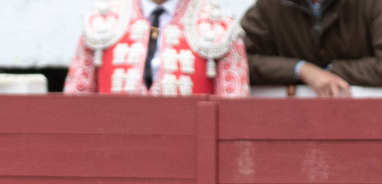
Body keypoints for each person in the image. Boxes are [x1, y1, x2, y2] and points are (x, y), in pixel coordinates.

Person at [65, 0, 250, 96]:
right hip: (110, 156)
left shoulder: (221, 26)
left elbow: (233, 116)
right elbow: (75, 106)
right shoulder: (100, 22)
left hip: (189, 160)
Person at [241, 0, 382, 96]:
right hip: (293, 122)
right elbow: (237, 61)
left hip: (367, 118)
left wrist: (329, 71)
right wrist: (300, 69)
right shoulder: (269, 6)